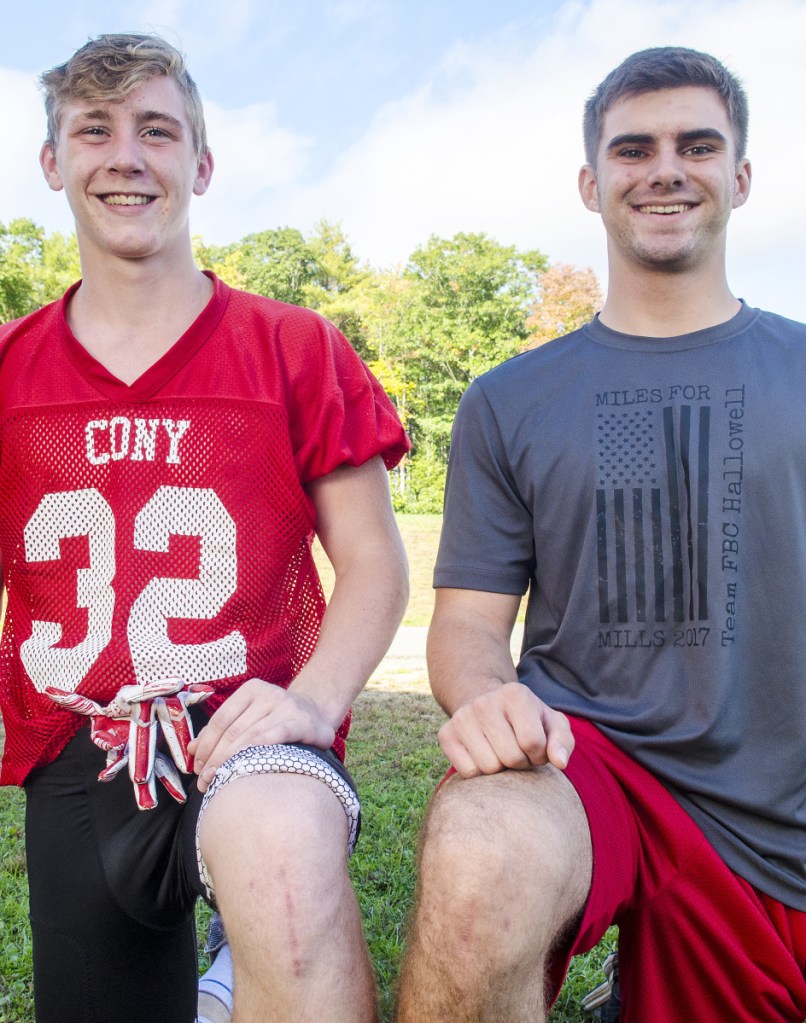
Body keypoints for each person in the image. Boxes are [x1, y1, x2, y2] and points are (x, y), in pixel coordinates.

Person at [0, 33, 410, 1023]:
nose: (126, 156)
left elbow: (372, 565)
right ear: (55, 163)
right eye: (93, 130)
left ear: (202, 162)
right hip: (78, 746)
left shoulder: (291, 346)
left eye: (157, 130)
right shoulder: (11, 367)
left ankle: (251, 942)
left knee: (278, 871)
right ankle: (227, 983)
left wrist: (312, 701)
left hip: (242, 731)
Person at [395, 46, 806, 1023]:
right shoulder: (507, 400)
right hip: (588, 766)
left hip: (778, 798)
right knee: (477, 863)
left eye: (695, 144)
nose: (663, 168)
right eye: (632, 149)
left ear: (738, 177)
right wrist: (488, 698)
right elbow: (461, 627)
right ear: (590, 183)